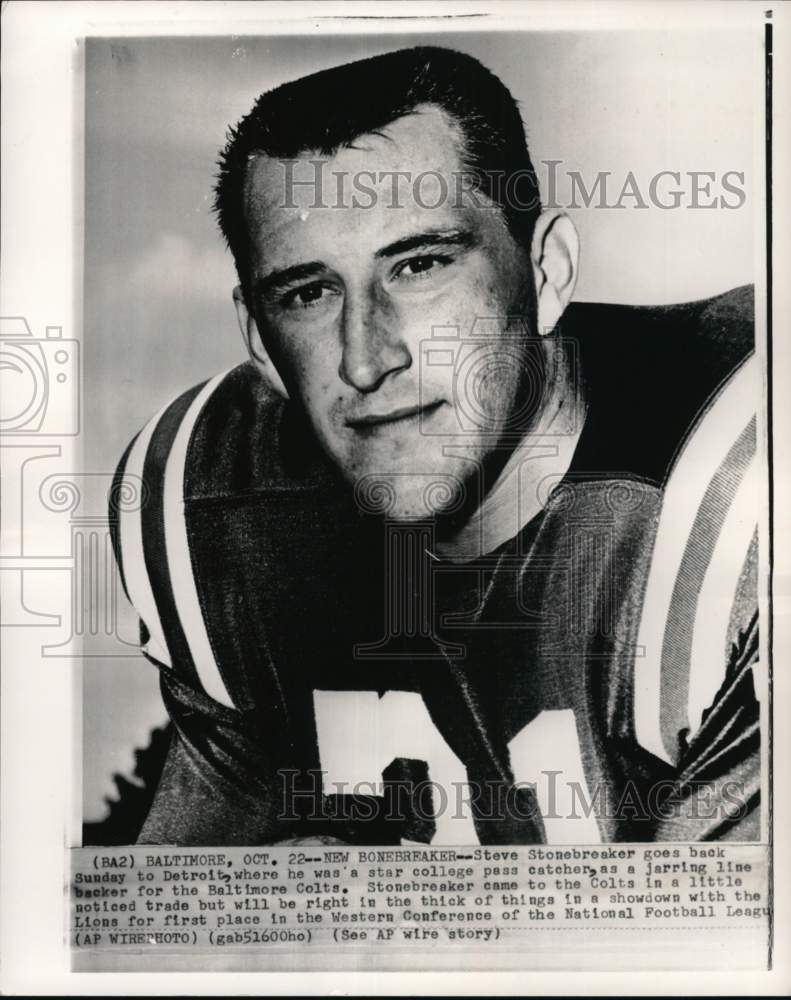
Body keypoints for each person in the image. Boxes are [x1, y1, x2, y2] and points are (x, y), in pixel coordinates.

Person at [109, 46, 759, 846]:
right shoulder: (214, 499)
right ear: (257, 340)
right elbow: (173, 929)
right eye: (308, 293)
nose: (366, 357)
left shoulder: (737, 474)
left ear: (546, 271)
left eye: (419, 265)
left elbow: (725, 955)